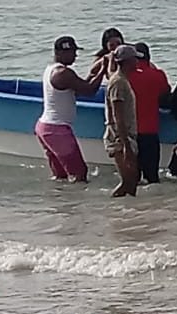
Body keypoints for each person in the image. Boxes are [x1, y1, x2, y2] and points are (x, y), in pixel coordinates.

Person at [35, 36, 105, 183]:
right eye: (72, 52)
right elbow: (89, 90)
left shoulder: (51, 70)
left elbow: (80, 87)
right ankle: (77, 204)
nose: (75, 55)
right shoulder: (63, 73)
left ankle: (62, 201)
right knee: (79, 173)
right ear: (60, 53)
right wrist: (104, 69)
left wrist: (95, 70)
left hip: (46, 127)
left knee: (61, 176)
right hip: (57, 129)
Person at [128, 42, 171, 184]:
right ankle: (153, 204)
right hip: (149, 132)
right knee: (152, 177)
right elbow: (166, 94)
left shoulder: (125, 77)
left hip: (129, 132)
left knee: (132, 177)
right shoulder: (157, 75)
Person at [105, 45, 140, 197]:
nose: (137, 61)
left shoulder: (121, 80)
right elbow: (117, 115)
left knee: (132, 181)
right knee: (128, 181)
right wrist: (126, 145)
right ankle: (113, 208)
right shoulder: (118, 83)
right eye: (135, 59)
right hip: (119, 137)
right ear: (127, 61)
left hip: (126, 136)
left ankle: (128, 214)